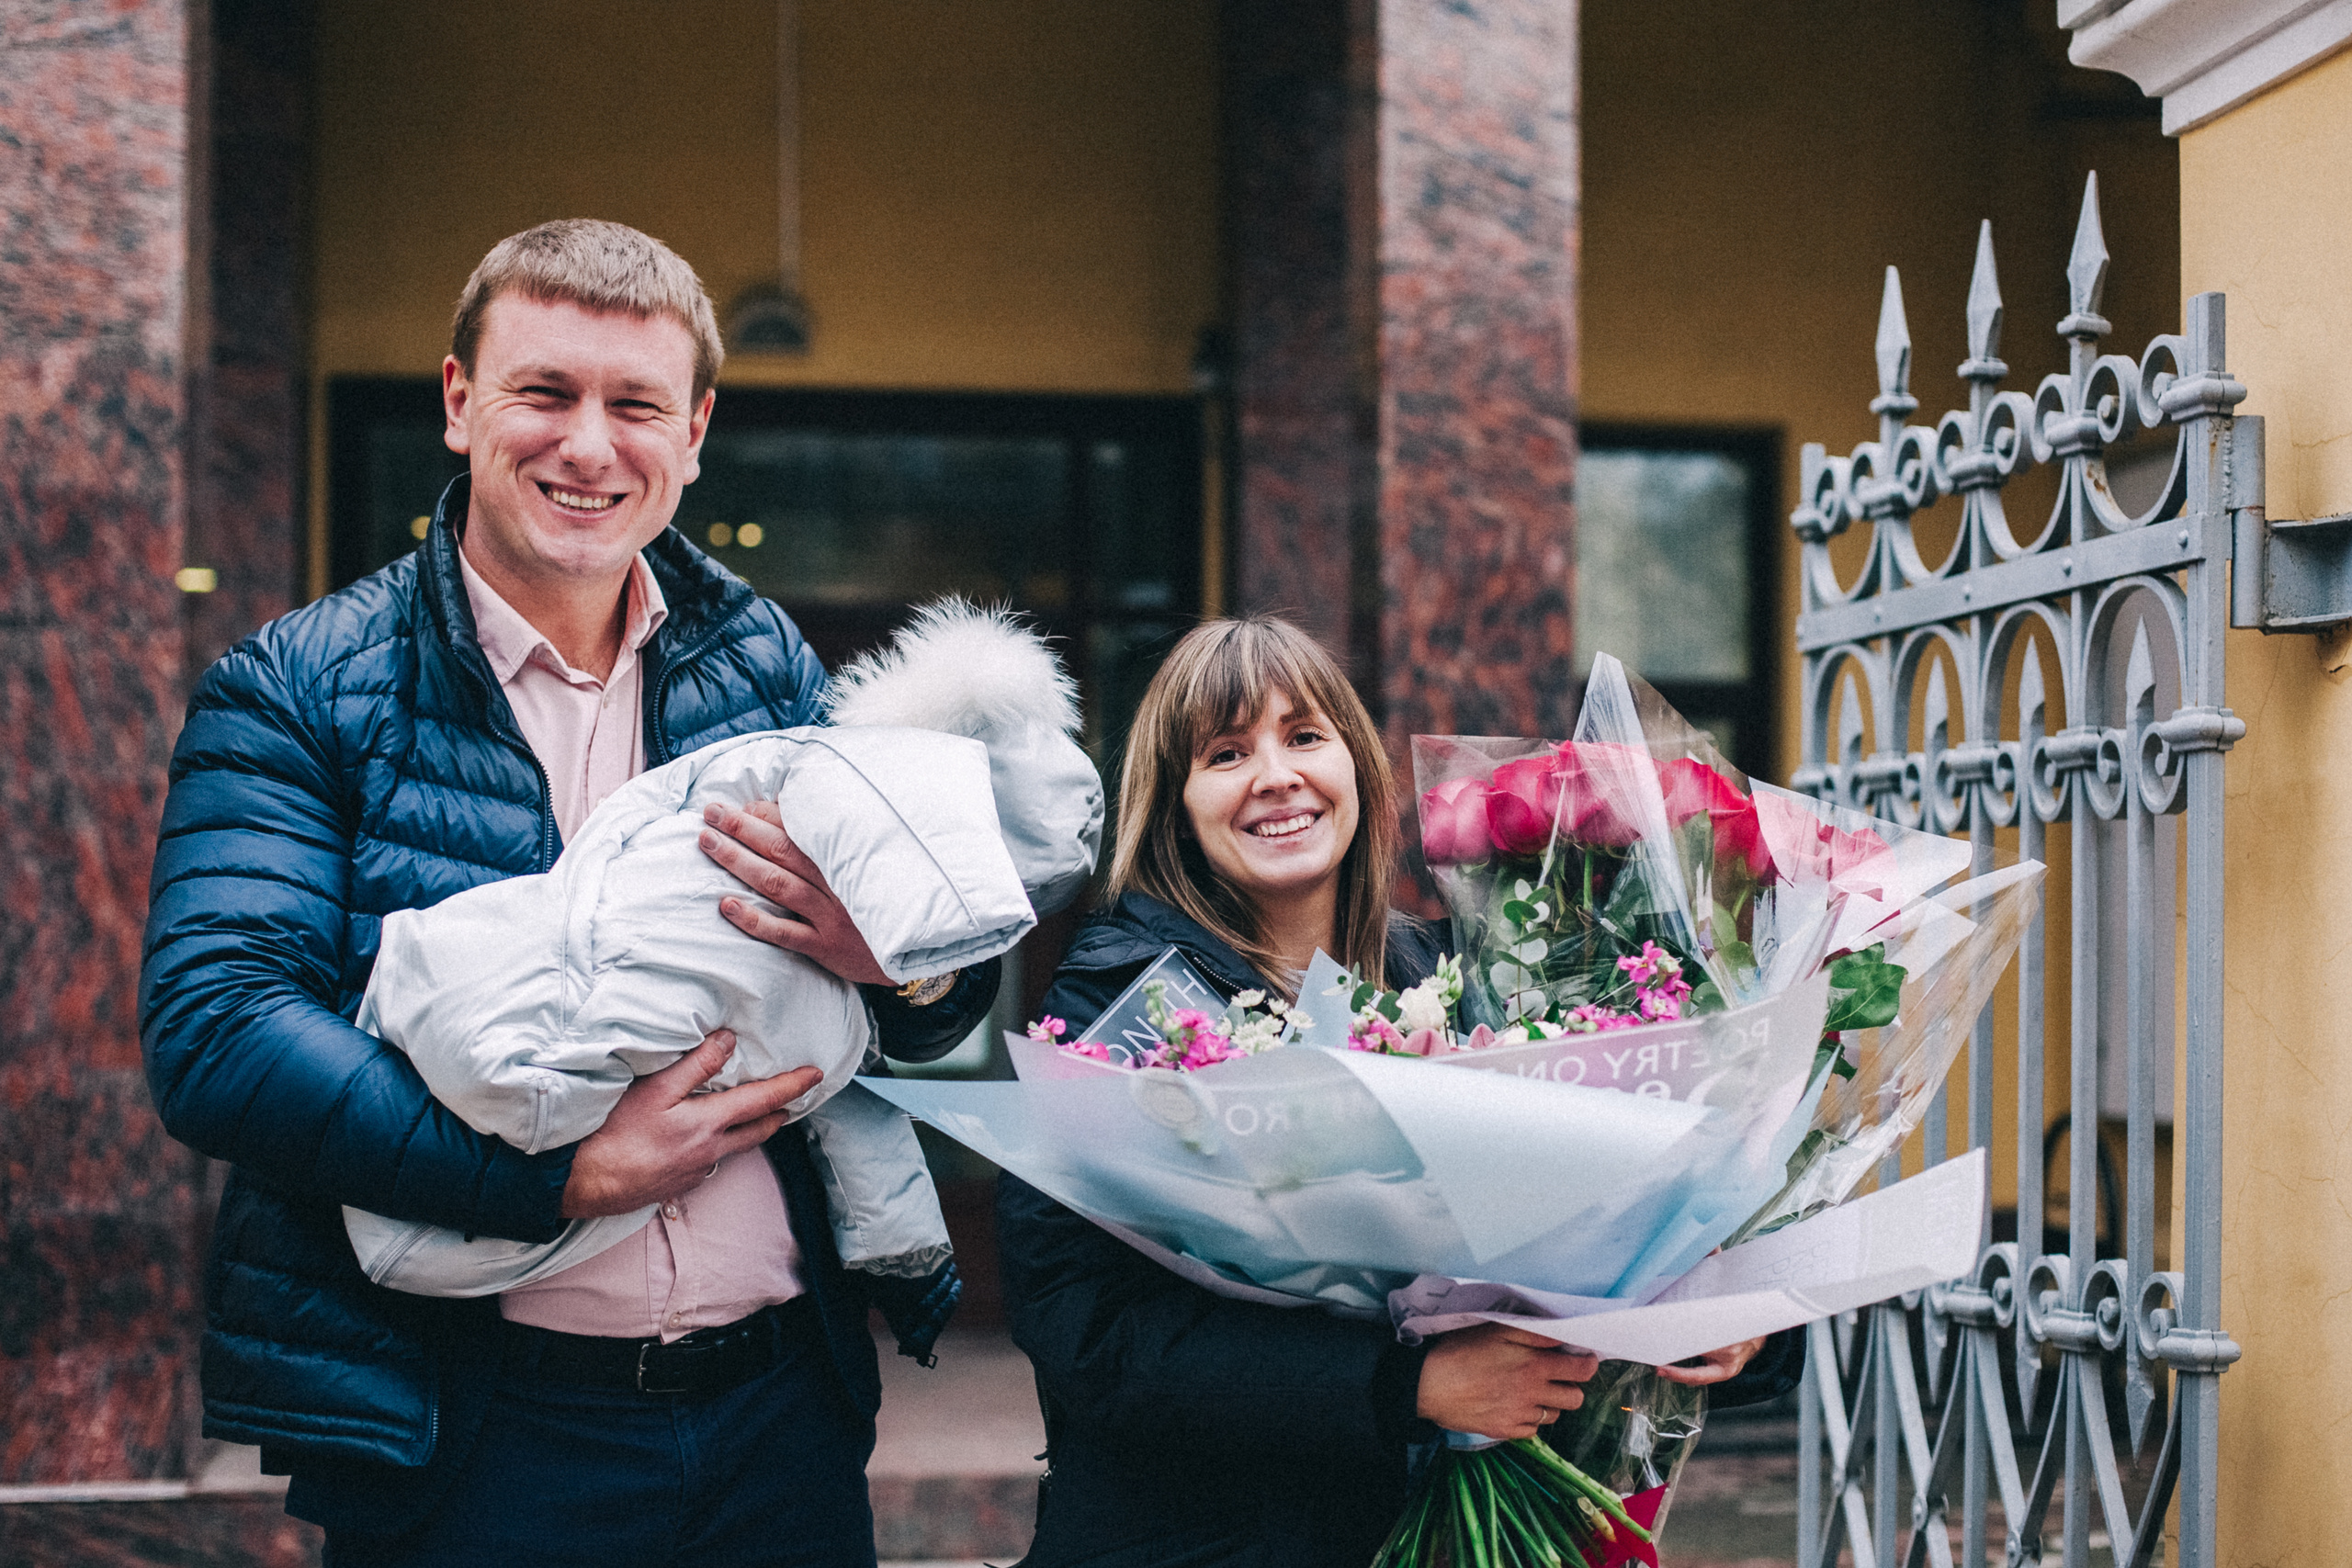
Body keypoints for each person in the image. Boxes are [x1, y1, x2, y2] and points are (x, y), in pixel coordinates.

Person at [140, 220, 995, 1566]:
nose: (588, 445)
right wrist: (551, 1177)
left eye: (635, 403)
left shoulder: (762, 658)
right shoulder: (299, 686)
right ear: (458, 400)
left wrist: (908, 966)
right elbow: (217, 1028)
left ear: (696, 431)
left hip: (781, 1418)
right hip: (476, 1433)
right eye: (545, 391)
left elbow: (939, 985)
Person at [997, 615, 1804, 1568]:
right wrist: (1403, 1385)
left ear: (1356, 766)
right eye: (1225, 753)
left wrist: (1724, 1315)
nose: (1275, 776)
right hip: (1199, 1540)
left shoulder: (1461, 969)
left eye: (1304, 736)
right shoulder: (1123, 1005)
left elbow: (1608, 1228)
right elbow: (1086, 1328)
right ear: (1176, 803)